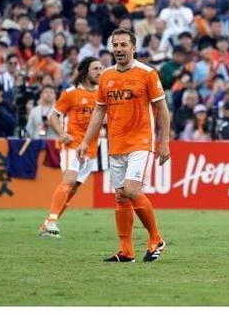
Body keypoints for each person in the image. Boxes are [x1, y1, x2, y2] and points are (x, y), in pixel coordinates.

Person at [77, 29, 170, 263]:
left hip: (141, 141)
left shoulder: (147, 73)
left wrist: (165, 142)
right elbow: (99, 111)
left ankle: (156, 238)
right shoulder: (106, 76)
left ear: (133, 48)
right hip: (116, 143)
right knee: (120, 197)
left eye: (123, 45)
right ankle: (126, 251)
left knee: (131, 190)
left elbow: (162, 110)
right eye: (115, 45)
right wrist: (86, 141)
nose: (118, 49)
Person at [38, 57, 103, 238]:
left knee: (73, 189)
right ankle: (52, 221)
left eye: (101, 68)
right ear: (84, 72)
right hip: (73, 145)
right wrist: (62, 134)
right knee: (69, 181)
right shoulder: (71, 93)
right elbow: (53, 116)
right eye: (95, 69)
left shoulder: (102, 94)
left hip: (91, 148)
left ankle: (47, 225)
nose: (100, 72)